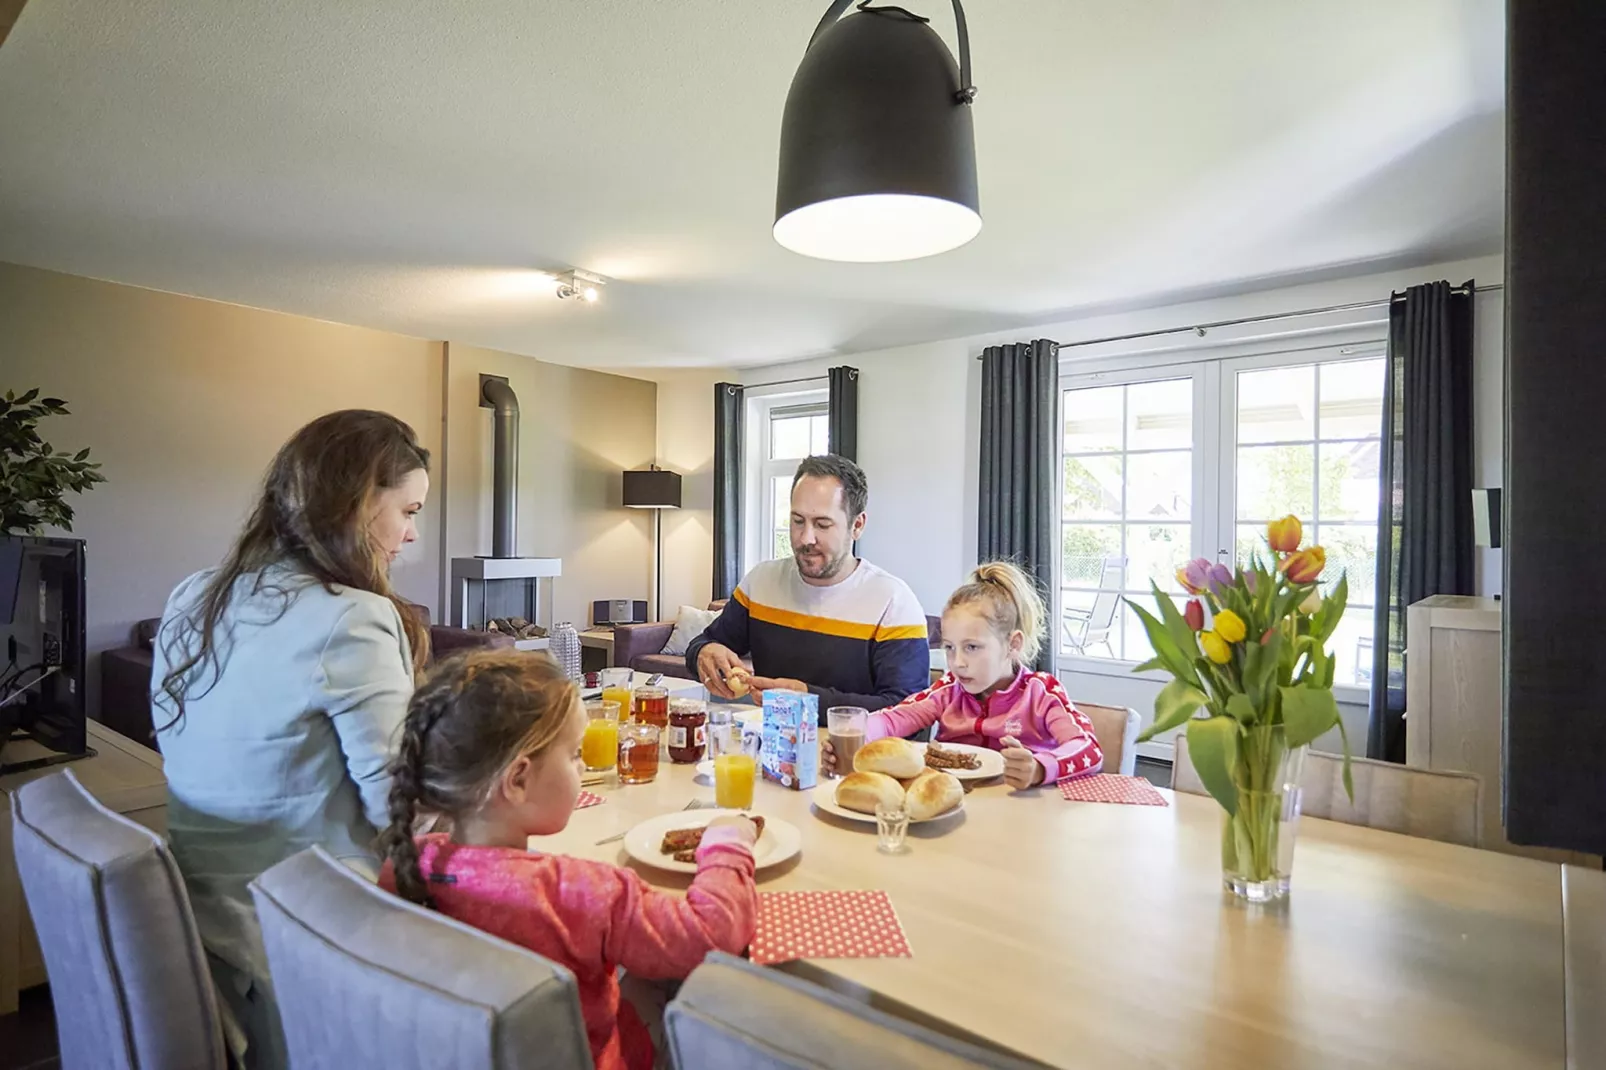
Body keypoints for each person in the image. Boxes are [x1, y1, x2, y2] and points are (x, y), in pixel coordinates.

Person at [151, 409, 431, 1068]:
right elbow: (400, 814)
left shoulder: (196, 594)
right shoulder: (350, 617)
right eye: (407, 511)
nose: (411, 534)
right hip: (296, 940)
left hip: (197, 921)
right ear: (362, 503)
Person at [378, 650, 757, 1070]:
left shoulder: (409, 864)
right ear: (518, 780)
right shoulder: (583, 892)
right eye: (575, 754)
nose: (583, 765)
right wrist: (727, 841)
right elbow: (710, 935)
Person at [687, 454, 930, 719]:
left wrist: (810, 701)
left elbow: (912, 714)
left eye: (822, 524)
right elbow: (703, 643)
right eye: (797, 521)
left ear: (857, 525)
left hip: (856, 757)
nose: (805, 538)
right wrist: (704, 652)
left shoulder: (893, 601)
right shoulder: (761, 582)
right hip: (773, 752)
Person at [827, 561, 1104, 789]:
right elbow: (893, 719)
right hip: (953, 807)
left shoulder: (1042, 693)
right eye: (949, 648)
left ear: (1013, 644)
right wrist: (854, 735)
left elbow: (1089, 750)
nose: (957, 663)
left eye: (972, 647)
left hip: (1022, 818)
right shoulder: (949, 688)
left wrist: (1041, 768)